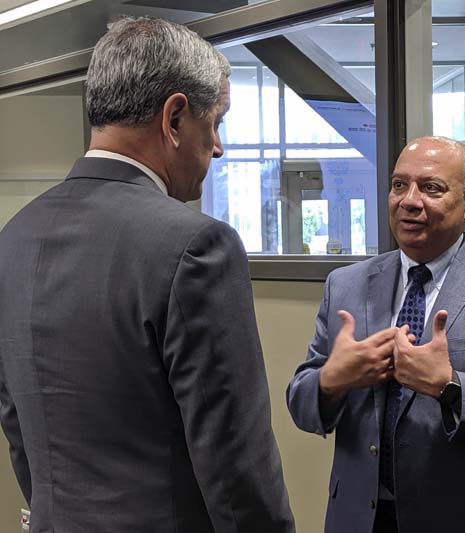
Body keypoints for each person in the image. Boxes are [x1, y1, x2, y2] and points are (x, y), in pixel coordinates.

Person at [0, 17, 294, 533]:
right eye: (215, 122)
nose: (219, 147)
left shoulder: (14, 238)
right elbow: (236, 471)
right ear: (175, 117)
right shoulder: (198, 247)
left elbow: (18, 427)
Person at [287, 136, 465, 533]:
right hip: (360, 518)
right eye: (399, 185)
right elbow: (300, 402)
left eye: (430, 188)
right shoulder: (346, 285)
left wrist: (449, 387)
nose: (409, 200)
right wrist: (332, 381)